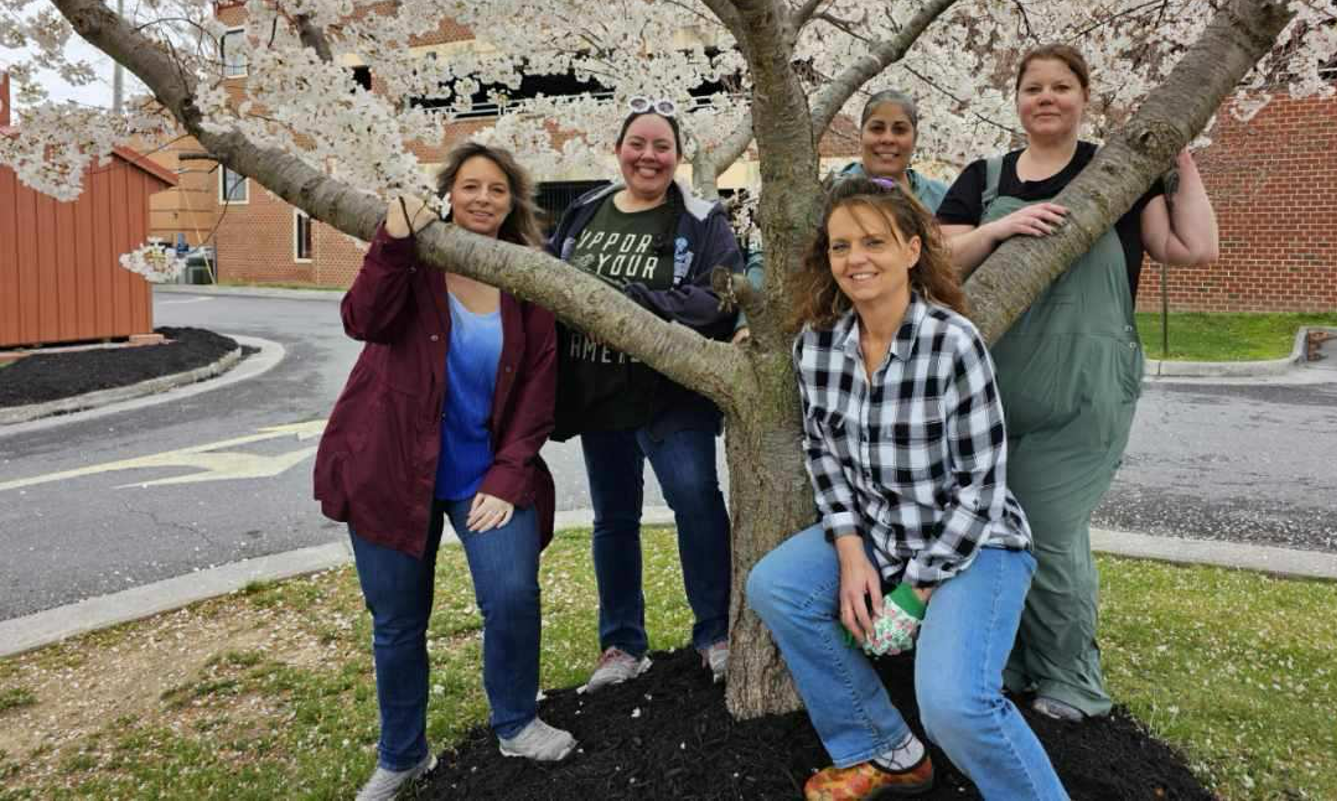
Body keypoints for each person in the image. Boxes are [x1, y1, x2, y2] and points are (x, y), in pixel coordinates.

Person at [747, 177, 1067, 801]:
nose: (855, 259)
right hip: (877, 533)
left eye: (874, 241)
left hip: (975, 545)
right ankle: (886, 750)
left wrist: (917, 589)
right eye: (840, 246)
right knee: (775, 586)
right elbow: (822, 452)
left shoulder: (953, 342)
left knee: (955, 704)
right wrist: (847, 549)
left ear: (913, 251)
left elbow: (980, 484)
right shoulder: (816, 348)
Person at [938, 43, 1218, 723]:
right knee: (990, 534)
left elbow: (1193, 248)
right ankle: (1006, 665)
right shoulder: (984, 176)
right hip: (990, 392)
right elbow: (940, 257)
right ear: (1017, 100)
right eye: (1033, 87)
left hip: (1087, 391)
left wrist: (1178, 155)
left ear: (1082, 97)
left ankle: (1071, 680)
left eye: (1061, 86)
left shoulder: (1115, 173)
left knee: (1049, 532)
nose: (1046, 97)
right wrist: (1001, 227)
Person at [314, 142, 577, 801]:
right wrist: (394, 240)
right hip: (390, 468)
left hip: (485, 473)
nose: (483, 199)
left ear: (512, 201)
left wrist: (509, 477)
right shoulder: (415, 260)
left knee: (512, 593)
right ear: (449, 194)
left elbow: (538, 396)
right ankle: (403, 756)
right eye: (470, 186)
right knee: (398, 621)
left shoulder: (528, 278)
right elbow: (361, 319)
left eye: (496, 189)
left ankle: (517, 721)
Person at [548, 96, 743, 688]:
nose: (649, 156)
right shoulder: (585, 208)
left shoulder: (702, 220)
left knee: (697, 504)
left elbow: (720, 295)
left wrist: (632, 303)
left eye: (662, 146)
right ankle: (621, 646)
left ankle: (714, 632)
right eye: (639, 144)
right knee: (613, 519)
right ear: (619, 150)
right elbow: (553, 279)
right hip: (599, 394)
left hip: (670, 396)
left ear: (678, 157)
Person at [736, 89, 948, 341]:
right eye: (877, 128)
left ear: (914, 138)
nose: (888, 139)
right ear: (861, 135)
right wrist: (746, 324)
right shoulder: (829, 196)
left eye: (900, 130)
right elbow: (770, 255)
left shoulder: (941, 197)